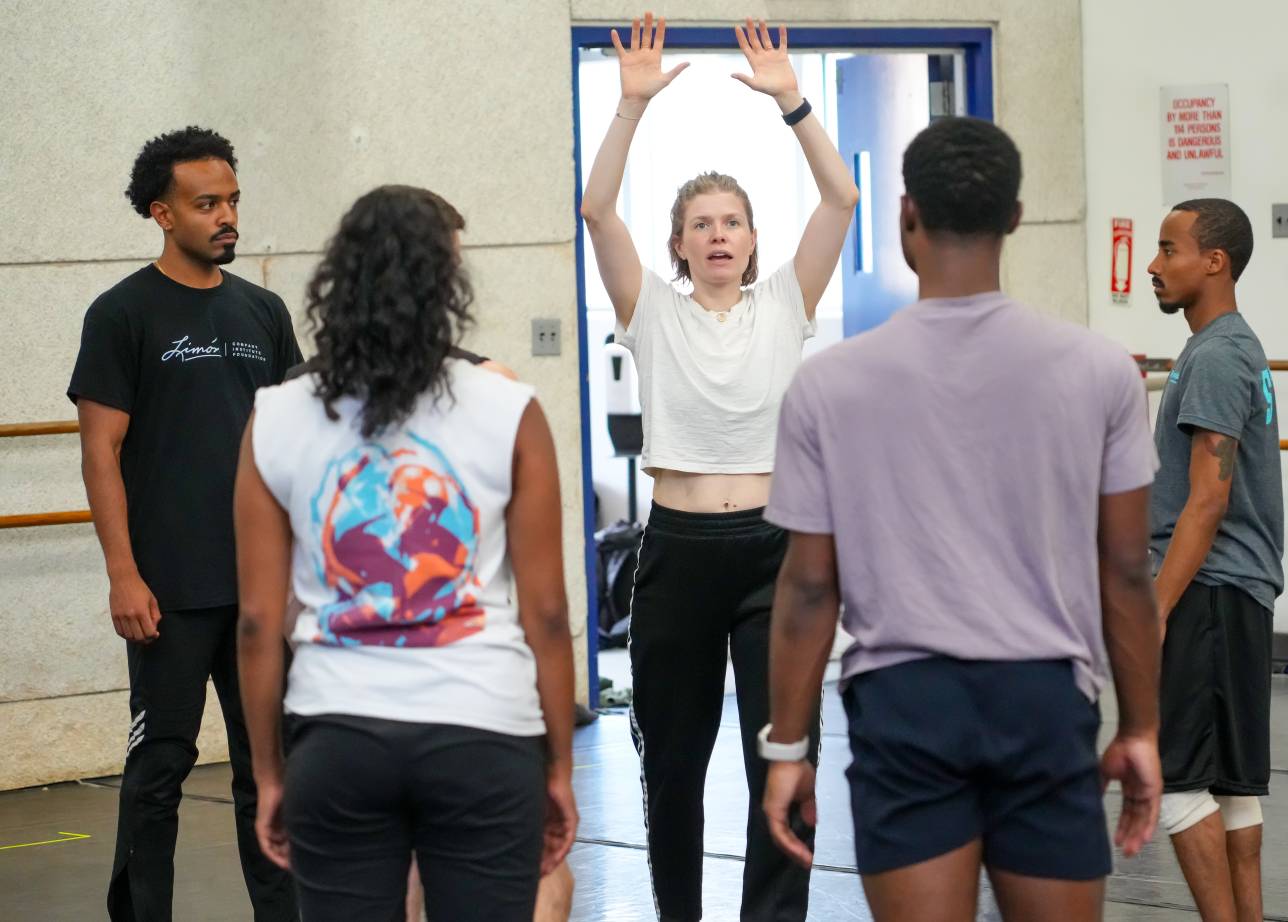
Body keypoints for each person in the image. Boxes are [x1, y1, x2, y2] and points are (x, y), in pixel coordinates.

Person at [759, 117, 1164, 922]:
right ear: (1015, 217)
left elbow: (808, 588)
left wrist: (788, 748)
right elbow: (1124, 569)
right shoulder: (1100, 372)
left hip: (904, 703)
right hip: (1043, 700)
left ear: (906, 214)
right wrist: (1141, 730)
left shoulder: (829, 385)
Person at [233, 185, 577, 921]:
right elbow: (548, 614)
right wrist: (558, 766)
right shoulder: (508, 407)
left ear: (336, 282)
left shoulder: (276, 415)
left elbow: (258, 621)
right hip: (484, 727)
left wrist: (270, 773)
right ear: (449, 285)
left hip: (337, 733)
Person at [579, 12, 858, 920]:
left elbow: (842, 200)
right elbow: (596, 211)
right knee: (674, 766)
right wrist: (630, 106)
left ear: (751, 236)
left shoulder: (786, 302)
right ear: (680, 244)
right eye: (701, 224)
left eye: (732, 221)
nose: (718, 234)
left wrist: (793, 102)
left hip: (776, 556)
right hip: (679, 553)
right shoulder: (650, 312)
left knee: (784, 757)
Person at [67, 126, 300, 922]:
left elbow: (295, 441)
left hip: (262, 589)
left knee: (270, 774)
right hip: (167, 592)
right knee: (158, 774)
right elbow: (101, 452)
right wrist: (122, 574)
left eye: (232, 200)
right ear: (162, 214)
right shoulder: (121, 314)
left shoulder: (264, 311)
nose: (226, 216)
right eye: (206, 205)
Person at [1146, 199, 1282, 922]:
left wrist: (1156, 608)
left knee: (1177, 784)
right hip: (1233, 592)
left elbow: (1208, 500)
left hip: (1207, 591)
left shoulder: (1217, 357)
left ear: (1215, 262)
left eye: (1169, 249)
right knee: (1231, 786)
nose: (1154, 265)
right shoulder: (1231, 348)